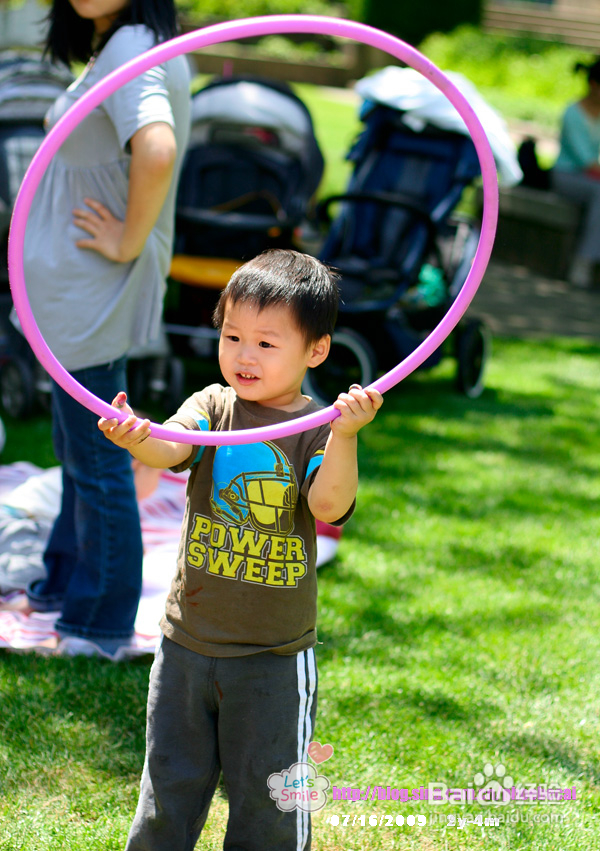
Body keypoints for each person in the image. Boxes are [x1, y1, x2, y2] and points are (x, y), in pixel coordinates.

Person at [99, 249, 383, 850]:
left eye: (265, 343)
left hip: (271, 657)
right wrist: (137, 437)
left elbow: (329, 506)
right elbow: (172, 449)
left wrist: (347, 436)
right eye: (232, 336)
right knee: (167, 786)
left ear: (316, 351)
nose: (243, 355)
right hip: (185, 644)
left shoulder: (317, 426)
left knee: (268, 800)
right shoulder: (214, 405)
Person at [16, 0, 191, 655]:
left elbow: (157, 145)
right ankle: (67, 578)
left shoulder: (133, 43)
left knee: (97, 458)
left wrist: (124, 241)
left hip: (91, 289)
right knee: (78, 445)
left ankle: (99, 620)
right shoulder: (119, 39)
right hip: (71, 290)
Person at [552, 57, 600, 287]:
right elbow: (586, 162)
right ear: (594, 85)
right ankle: (583, 262)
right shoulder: (573, 113)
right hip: (567, 177)